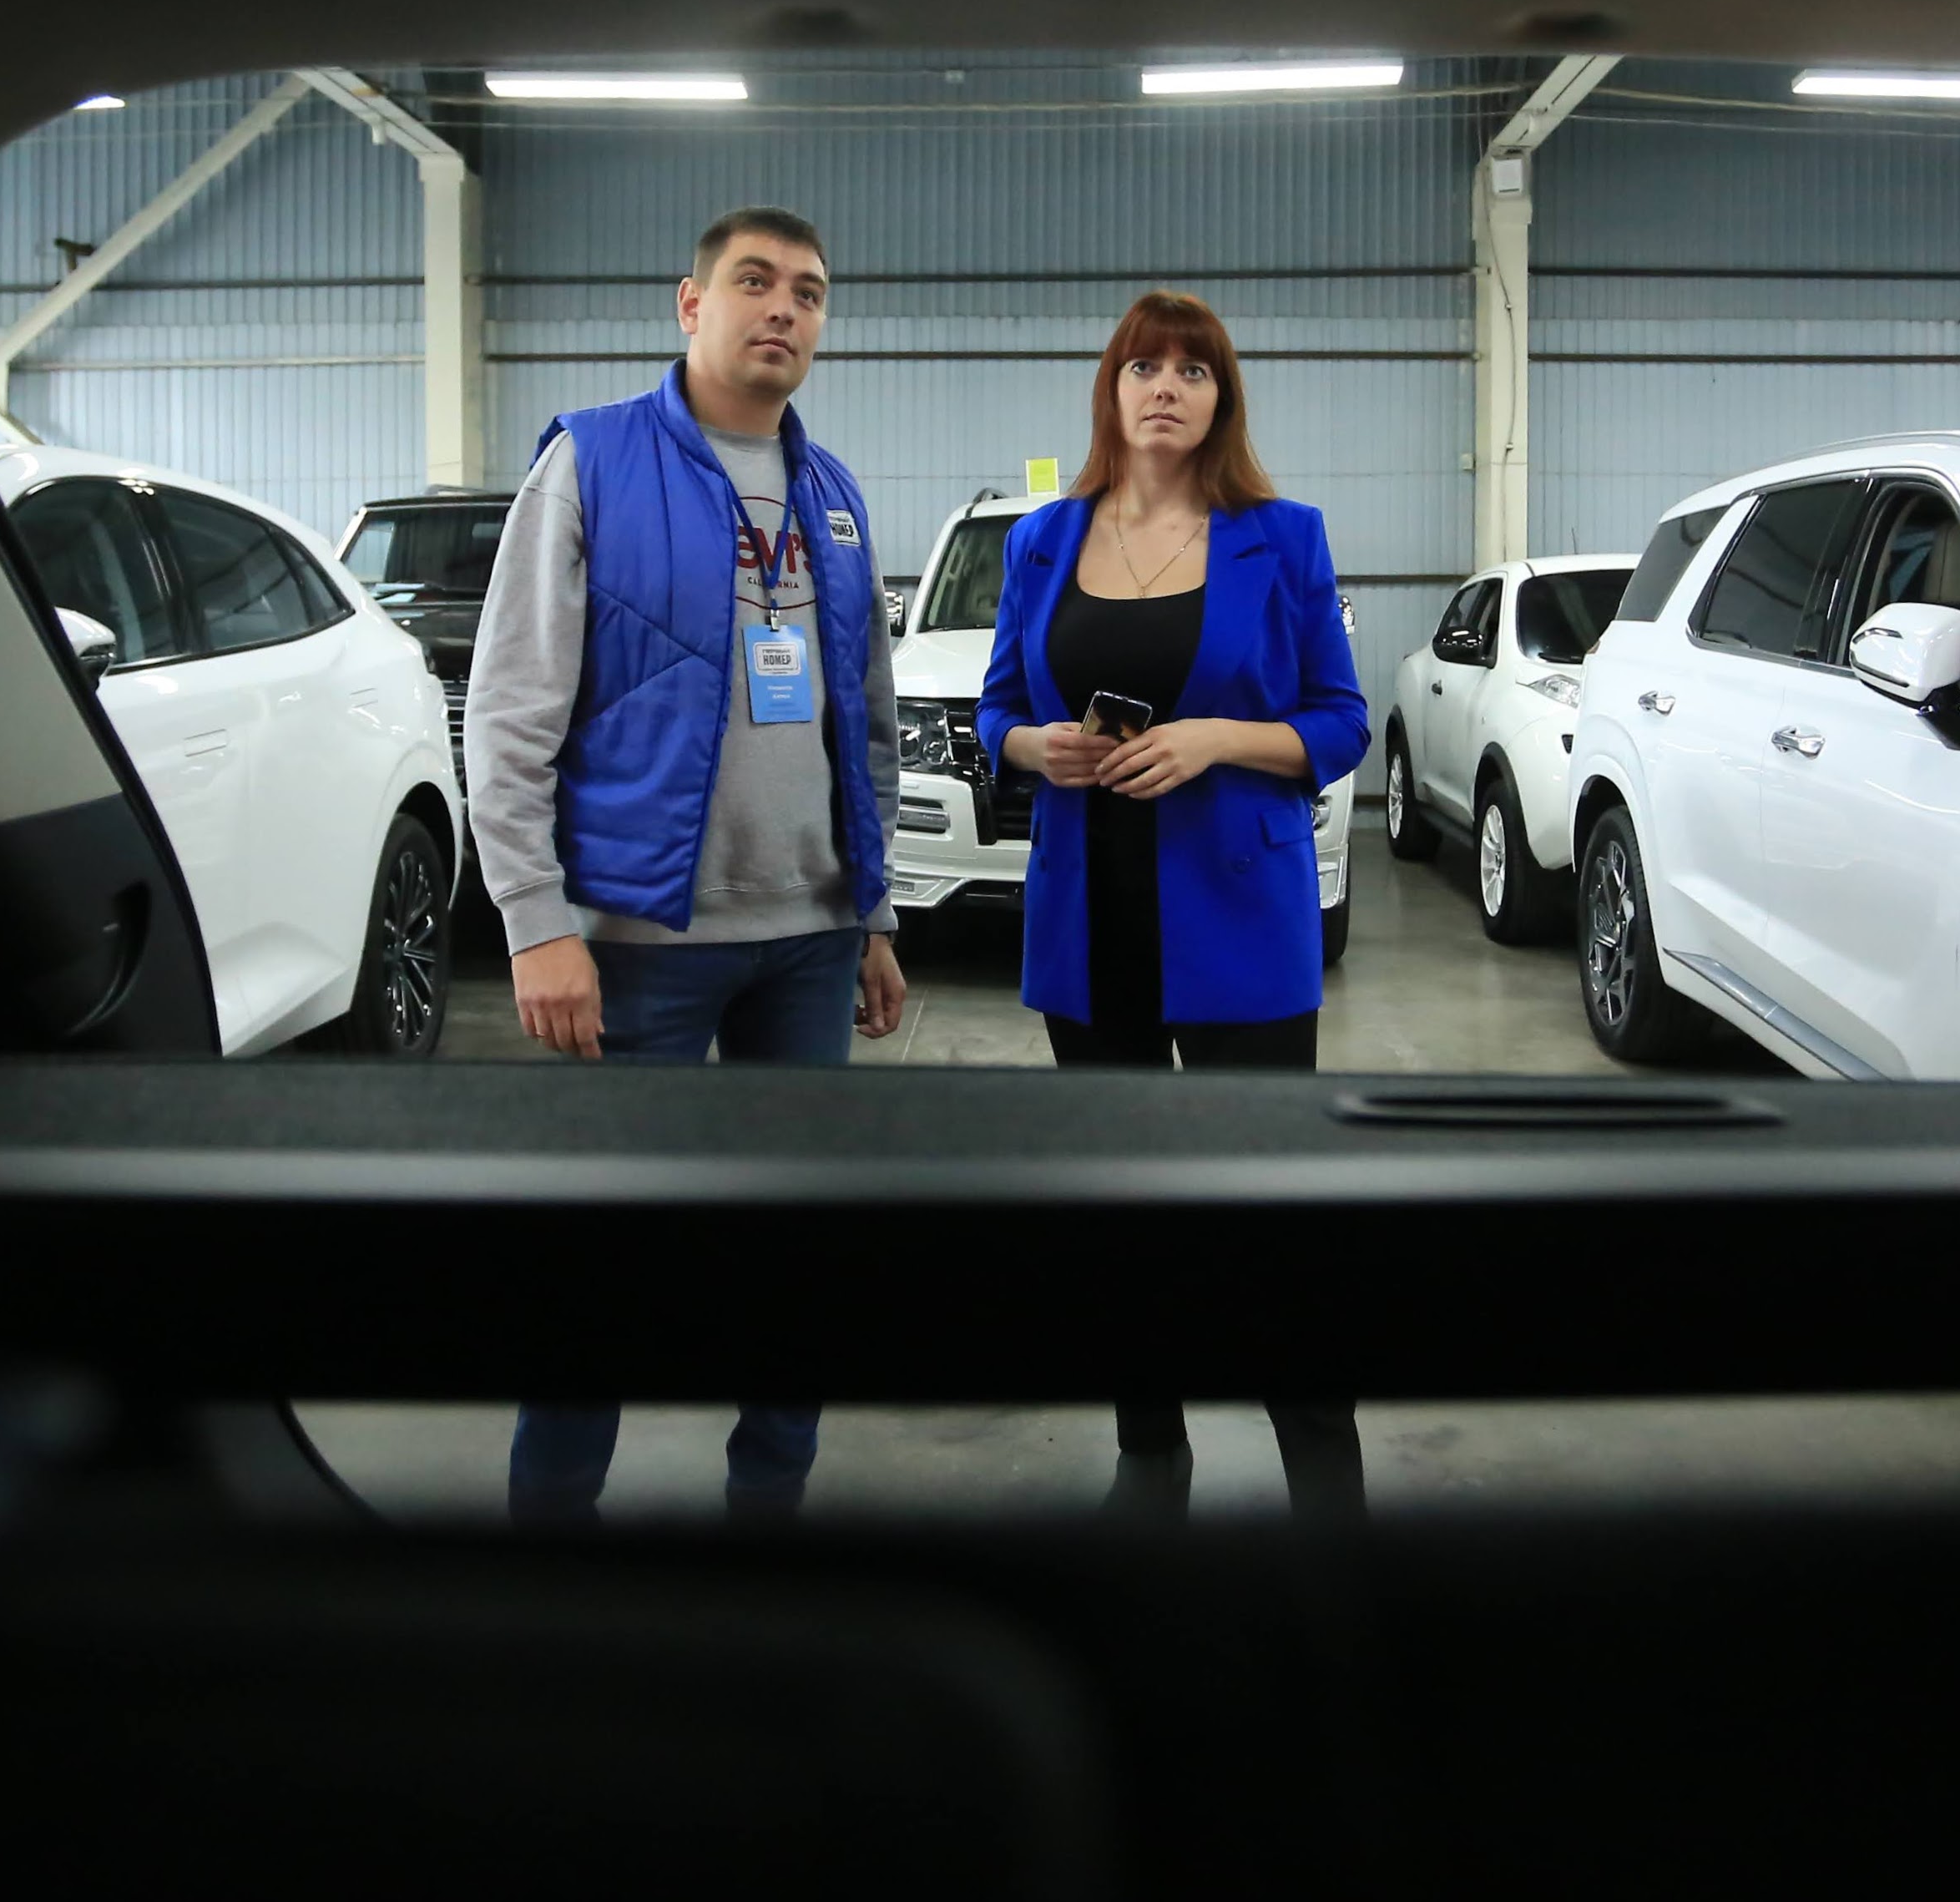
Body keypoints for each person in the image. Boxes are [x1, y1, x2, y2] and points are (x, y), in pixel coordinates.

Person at [460, 205, 907, 1525]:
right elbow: (510, 713)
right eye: (755, 282)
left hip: (810, 945)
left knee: (793, 1262)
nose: (784, 309)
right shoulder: (590, 463)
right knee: (600, 1264)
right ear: (691, 303)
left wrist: (873, 910)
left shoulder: (834, 497)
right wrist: (535, 922)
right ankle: (552, 1535)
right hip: (633, 949)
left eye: (809, 292)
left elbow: (866, 722)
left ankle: (767, 1523)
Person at [976, 290, 1374, 1521]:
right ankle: (1151, 1450)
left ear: (1220, 399)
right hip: (1091, 918)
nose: (1165, 388)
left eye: (1192, 372)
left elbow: (1340, 720)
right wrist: (1033, 748)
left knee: (1274, 1219)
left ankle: (1323, 1475)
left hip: (1239, 920)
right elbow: (996, 710)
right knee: (1123, 1208)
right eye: (1144, 367)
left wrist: (1215, 739)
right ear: (1111, 390)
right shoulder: (1042, 540)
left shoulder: (1282, 538)